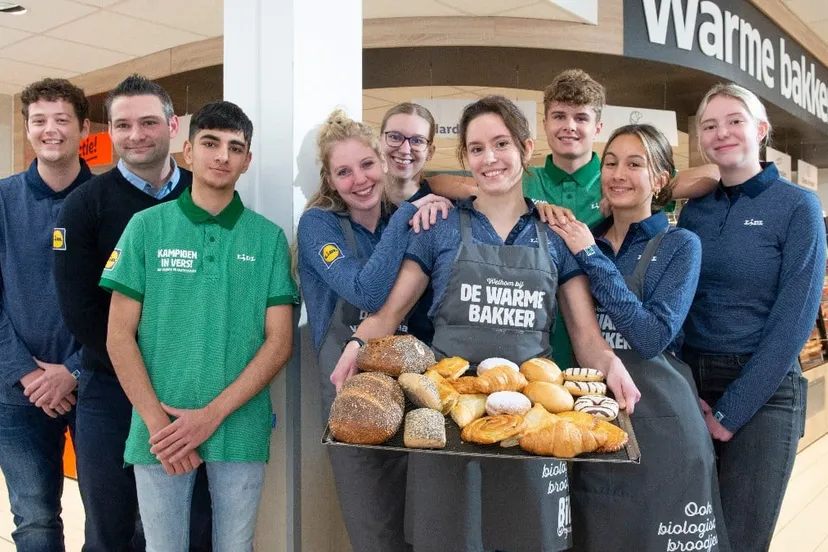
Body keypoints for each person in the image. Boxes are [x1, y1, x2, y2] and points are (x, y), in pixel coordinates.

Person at [333, 95, 640, 552]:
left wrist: (612, 366)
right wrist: (355, 347)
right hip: (444, 422)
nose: (489, 158)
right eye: (476, 149)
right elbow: (389, 314)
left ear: (525, 148)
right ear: (464, 160)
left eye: (501, 144)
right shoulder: (437, 227)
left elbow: (586, 338)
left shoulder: (557, 234)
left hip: (531, 426)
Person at [102, 101, 298, 551]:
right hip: (161, 426)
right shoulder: (146, 227)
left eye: (235, 147)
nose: (222, 156)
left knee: (235, 546)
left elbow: (280, 341)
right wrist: (158, 423)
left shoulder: (266, 238)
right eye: (210, 143)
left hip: (239, 424)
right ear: (187, 151)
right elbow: (118, 335)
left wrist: (208, 417)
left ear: (247, 160)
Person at [428, 69, 719, 370]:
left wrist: (640, 190)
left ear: (598, 127)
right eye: (559, 116)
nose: (569, 126)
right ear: (544, 124)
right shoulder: (521, 180)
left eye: (581, 118)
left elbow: (711, 174)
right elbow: (441, 182)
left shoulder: (615, 182)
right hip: (533, 345)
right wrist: (522, 201)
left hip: (596, 346)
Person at [53, 74, 212, 551]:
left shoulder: (205, 197)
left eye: (148, 122)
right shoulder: (84, 206)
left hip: (191, 394)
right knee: (110, 531)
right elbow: (79, 309)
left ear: (172, 124)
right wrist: (142, 376)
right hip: (110, 393)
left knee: (191, 528)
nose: (136, 134)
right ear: (110, 132)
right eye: (123, 125)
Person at [551, 124, 728, 551]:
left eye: (635, 164)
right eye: (610, 163)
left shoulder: (680, 244)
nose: (617, 173)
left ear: (660, 179)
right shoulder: (583, 238)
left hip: (665, 425)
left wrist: (590, 257)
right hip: (596, 419)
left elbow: (651, 336)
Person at [679, 83, 825, 552]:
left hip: (763, 392)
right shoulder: (695, 210)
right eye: (710, 125)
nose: (722, 133)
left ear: (761, 130)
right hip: (694, 385)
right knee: (689, 536)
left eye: (734, 121)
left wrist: (729, 413)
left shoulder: (797, 207)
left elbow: (795, 321)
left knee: (738, 540)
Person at [297, 109, 449, 552]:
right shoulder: (319, 226)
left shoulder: (399, 217)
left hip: (415, 387)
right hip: (352, 397)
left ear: (383, 161)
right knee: (375, 530)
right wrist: (407, 217)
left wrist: (426, 203)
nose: (359, 179)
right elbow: (366, 291)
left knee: (425, 525)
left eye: (366, 165)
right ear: (329, 179)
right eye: (343, 171)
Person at [0, 77, 90, 551]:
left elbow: (123, 304)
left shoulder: (107, 201)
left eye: (61, 120)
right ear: (28, 129)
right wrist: (27, 374)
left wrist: (73, 370)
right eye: (39, 120)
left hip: (96, 384)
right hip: (17, 392)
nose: (49, 130)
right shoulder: (2, 199)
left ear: (83, 128)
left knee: (111, 512)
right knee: (33, 518)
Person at [379, 102, 445, 345]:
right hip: (365, 347)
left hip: (427, 352)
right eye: (395, 137)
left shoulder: (445, 210)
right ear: (380, 141)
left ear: (430, 151)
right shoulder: (361, 206)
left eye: (417, 140)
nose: (405, 148)